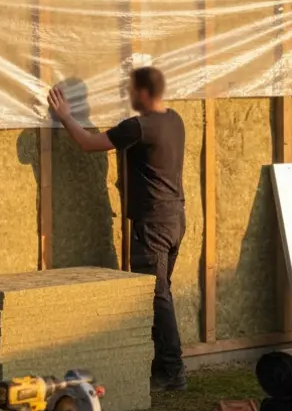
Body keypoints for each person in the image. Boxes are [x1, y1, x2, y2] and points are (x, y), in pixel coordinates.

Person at [47, 67, 188, 392]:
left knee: (157, 296)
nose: (127, 95)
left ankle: (172, 371)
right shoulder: (175, 119)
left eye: (130, 90)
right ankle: (162, 365)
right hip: (175, 218)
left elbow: (87, 143)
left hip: (153, 224)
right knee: (161, 293)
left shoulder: (138, 127)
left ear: (141, 93)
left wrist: (65, 116)